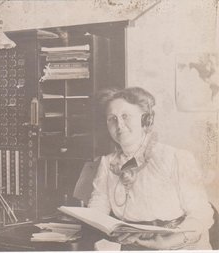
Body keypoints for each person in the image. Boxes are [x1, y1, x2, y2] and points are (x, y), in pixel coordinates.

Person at [87, 87, 214, 250]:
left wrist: (168, 242)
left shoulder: (175, 158)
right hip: (130, 244)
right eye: (112, 118)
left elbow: (202, 213)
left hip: (176, 245)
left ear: (145, 120)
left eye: (126, 116)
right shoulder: (107, 163)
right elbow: (99, 204)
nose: (119, 125)